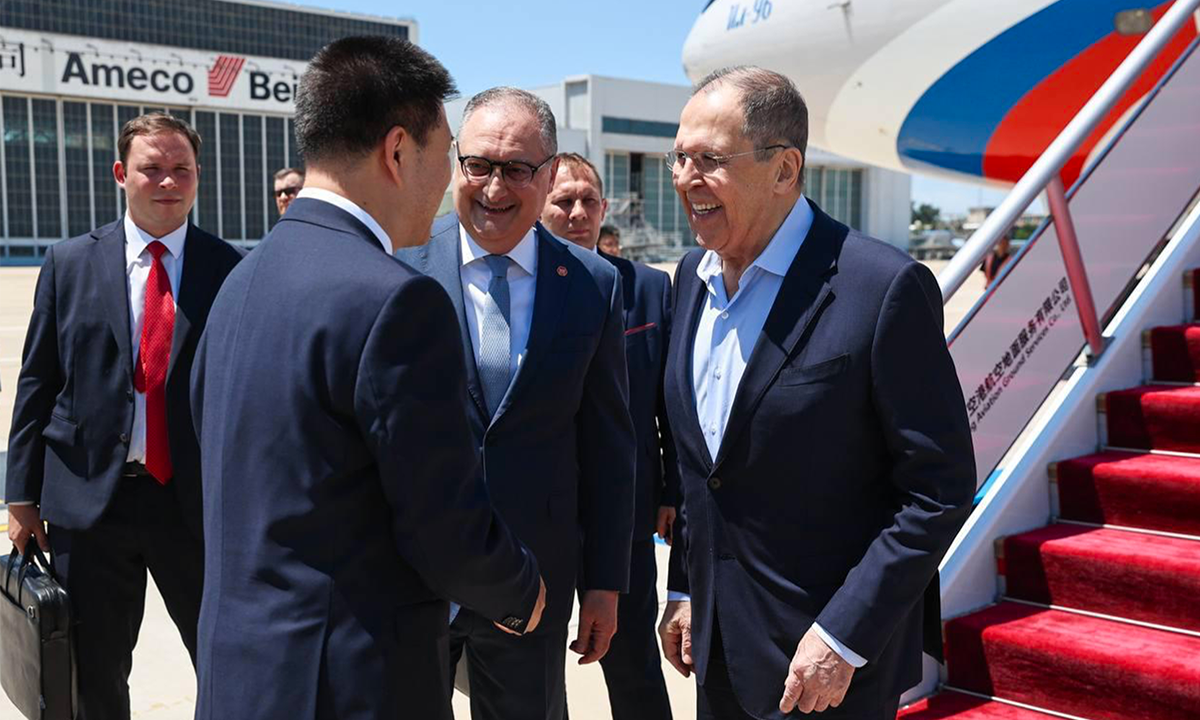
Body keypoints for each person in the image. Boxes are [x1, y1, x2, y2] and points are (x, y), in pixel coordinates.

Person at [190, 38, 545, 720]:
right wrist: (521, 589)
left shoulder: (239, 281)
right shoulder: (394, 300)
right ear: (397, 151)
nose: (449, 181)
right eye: (447, 155)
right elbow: (443, 524)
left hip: (242, 676)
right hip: (346, 686)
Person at [657, 66, 975, 720]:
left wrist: (844, 637)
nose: (686, 178)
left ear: (784, 169)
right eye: (679, 156)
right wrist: (686, 587)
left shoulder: (881, 288)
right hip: (719, 652)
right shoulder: (690, 277)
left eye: (710, 159)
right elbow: (706, 467)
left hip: (827, 672)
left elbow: (937, 489)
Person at [396, 87, 636, 720]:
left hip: (534, 583)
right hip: (411, 576)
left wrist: (604, 585)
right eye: (478, 164)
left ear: (552, 172)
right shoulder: (399, 264)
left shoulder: (594, 285)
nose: (494, 187)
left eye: (517, 169)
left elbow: (608, 446)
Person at [4, 112, 243, 720]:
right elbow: (38, 381)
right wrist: (20, 496)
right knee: (94, 671)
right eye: (152, 169)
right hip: (89, 503)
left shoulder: (233, 270)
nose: (168, 182)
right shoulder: (69, 263)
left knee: (228, 657)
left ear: (197, 177)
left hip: (196, 505)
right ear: (120, 174)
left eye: (181, 170)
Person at [541, 152, 677, 720]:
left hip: (624, 511)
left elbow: (672, 406)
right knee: (535, 664)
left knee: (631, 654)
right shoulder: (521, 290)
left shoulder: (647, 290)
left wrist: (671, 492)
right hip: (540, 512)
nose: (578, 212)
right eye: (563, 200)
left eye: (588, 200)